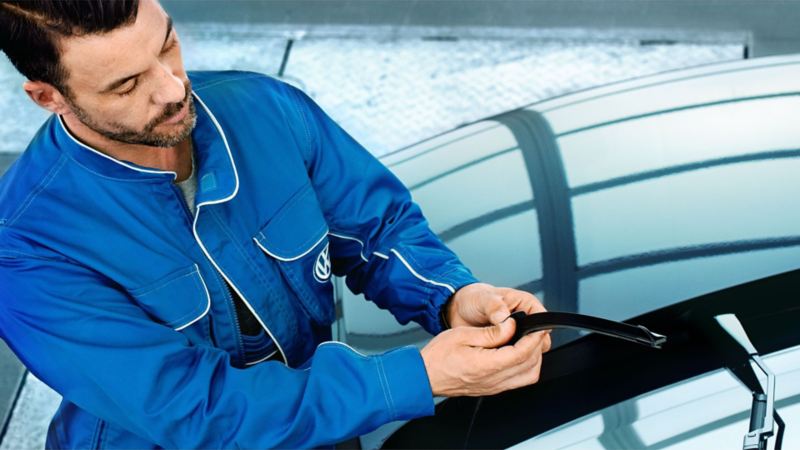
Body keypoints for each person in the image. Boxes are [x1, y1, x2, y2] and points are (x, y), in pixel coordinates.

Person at [0, 0, 551, 447]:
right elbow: (197, 411)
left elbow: (379, 229)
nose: (172, 88)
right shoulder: (27, 247)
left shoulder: (266, 109)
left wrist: (453, 295)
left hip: (327, 425)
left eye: (167, 44)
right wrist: (417, 378)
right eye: (126, 85)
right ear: (49, 97)